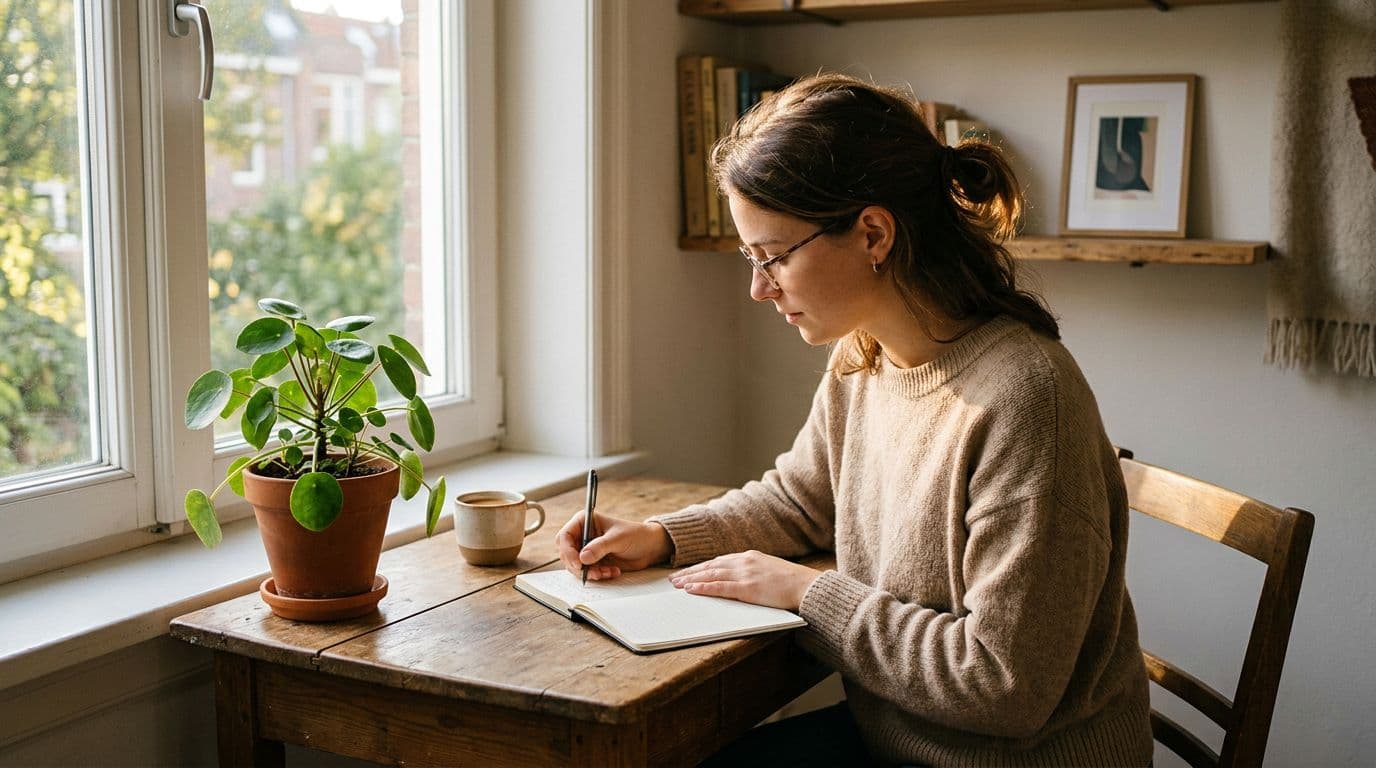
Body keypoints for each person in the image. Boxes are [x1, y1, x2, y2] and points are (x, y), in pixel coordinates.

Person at [556, 73, 1153, 767]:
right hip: (897, 741)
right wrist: (661, 537)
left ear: (872, 232)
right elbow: (801, 500)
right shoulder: (866, 356)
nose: (758, 287)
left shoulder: (1026, 399)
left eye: (771, 256)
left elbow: (1002, 686)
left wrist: (809, 594)